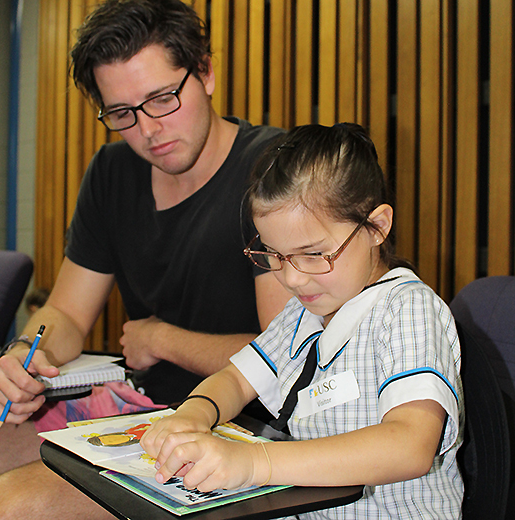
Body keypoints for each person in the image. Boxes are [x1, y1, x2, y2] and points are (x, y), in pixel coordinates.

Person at [0, 1, 290, 518]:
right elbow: (64, 315)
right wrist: (26, 351)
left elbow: (285, 357)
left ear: (205, 72)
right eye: (123, 113)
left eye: (162, 99)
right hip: (137, 411)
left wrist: (162, 339)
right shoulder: (113, 174)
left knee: (13, 504)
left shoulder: (272, 172)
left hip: (242, 433)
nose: (149, 129)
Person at [140, 123, 465, 519]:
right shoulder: (304, 313)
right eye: (273, 255)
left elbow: (410, 445)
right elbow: (236, 378)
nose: (291, 278)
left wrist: (257, 463)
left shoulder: (407, 310)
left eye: (313, 255)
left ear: (377, 226)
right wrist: (192, 415)